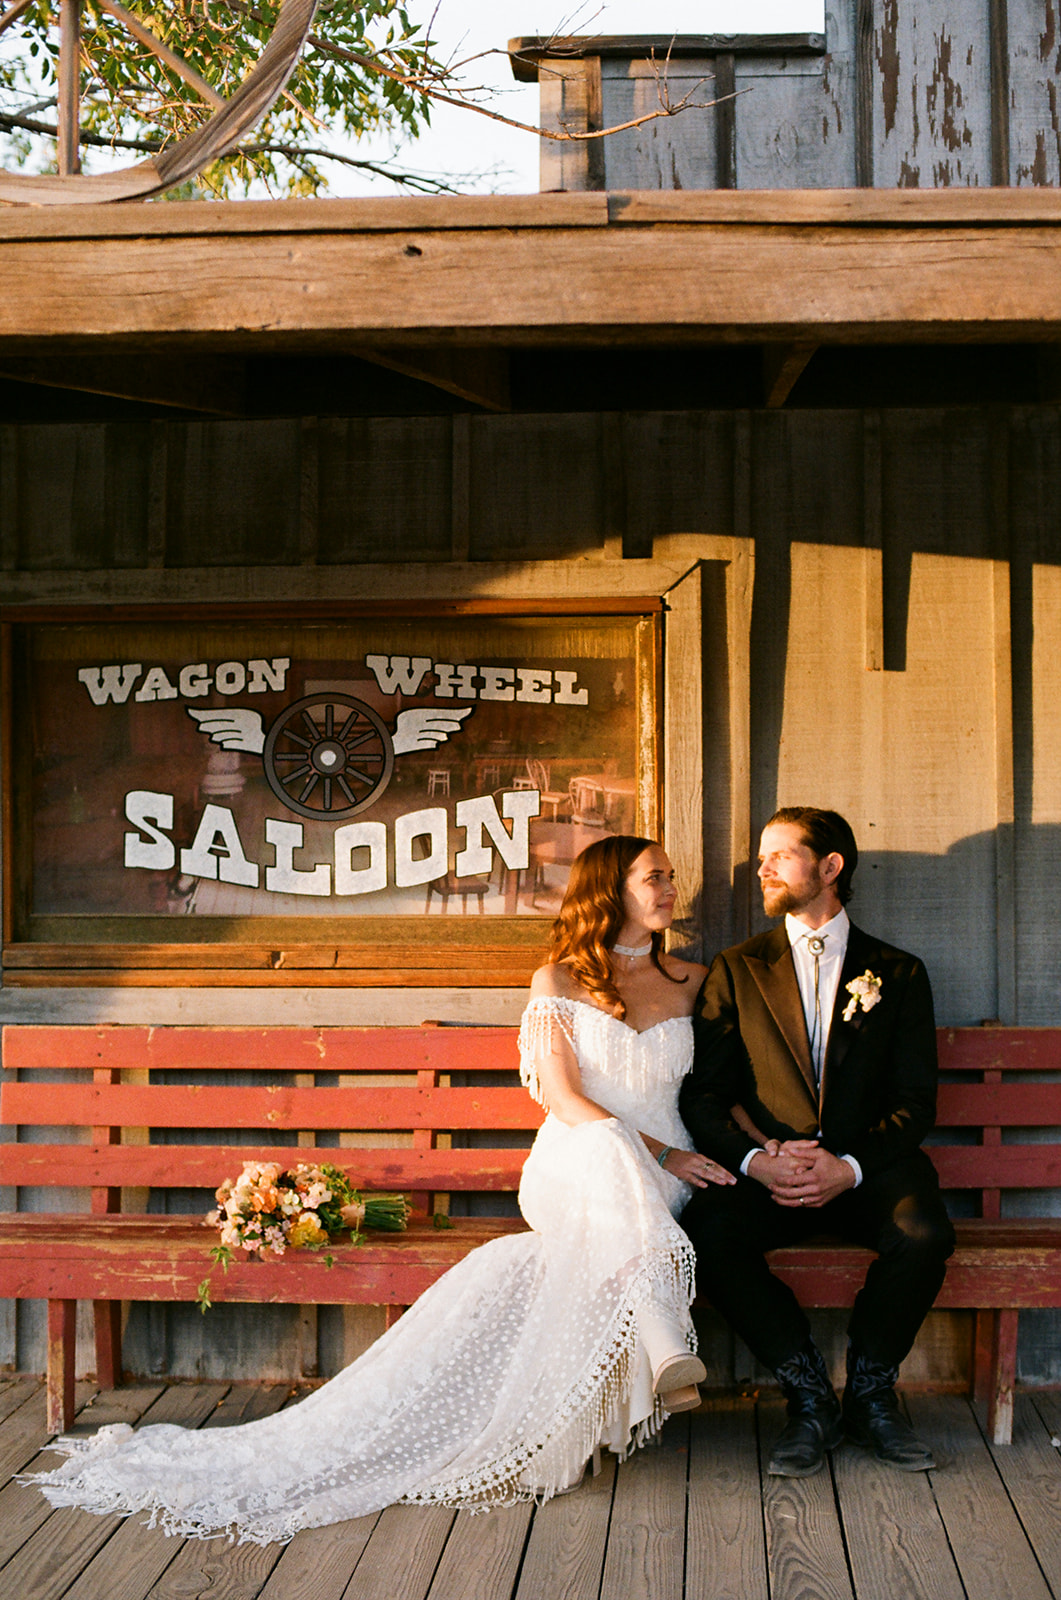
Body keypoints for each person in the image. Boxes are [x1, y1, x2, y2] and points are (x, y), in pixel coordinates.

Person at [31, 835, 733, 1545]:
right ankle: (660, 1334)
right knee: (603, 1143)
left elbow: (714, 1087)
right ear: (609, 890)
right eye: (654, 878)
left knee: (578, 1244)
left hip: (660, 1182)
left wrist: (689, 1156)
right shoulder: (555, 980)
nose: (670, 889)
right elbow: (562, 1096)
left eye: (670, 877)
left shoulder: (691, 980)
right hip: (577, 1165)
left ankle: (575, 1421)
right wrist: (657, 1150)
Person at [679, 807, 955, 1478]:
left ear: (829, 867)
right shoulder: (736, 969)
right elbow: (703, 1095)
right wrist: (754, 1161)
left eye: (779, 854)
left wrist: (850, 1167)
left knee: (923, 1233)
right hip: (771, 1167)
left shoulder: (897, 972)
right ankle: (806, 1396)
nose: (761, 868)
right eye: (761, 855)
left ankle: (868, 1393)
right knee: (707, 1238)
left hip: (867, 1168)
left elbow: (915, 1102)